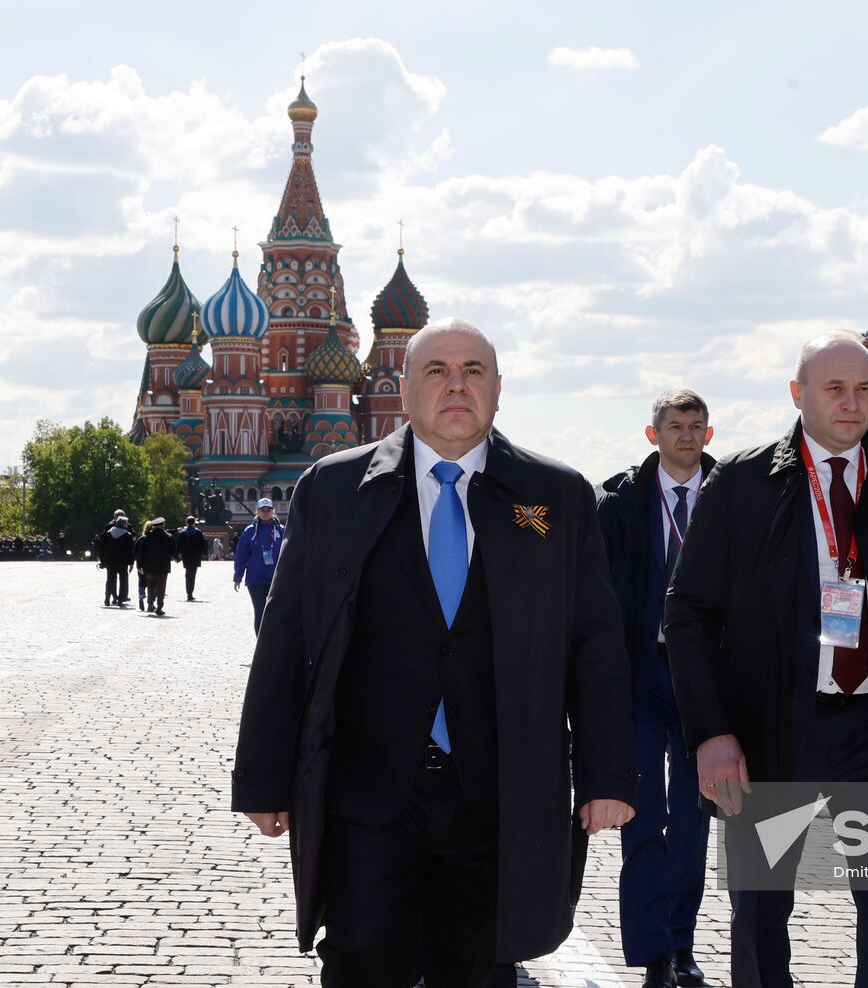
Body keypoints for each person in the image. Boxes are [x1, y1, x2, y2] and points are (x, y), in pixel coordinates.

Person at [231, 319, 636, 987]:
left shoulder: (554, 497)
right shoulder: (334, 491)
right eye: (437, 371)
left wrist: (607, 775)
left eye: (474, 371)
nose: (457, 386)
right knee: (361, 963)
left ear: (498, 389)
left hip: (499, 791)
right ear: (402, 389)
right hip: (367, 791)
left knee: (479, 969)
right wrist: (262, 777)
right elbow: (288, 639)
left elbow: (594, 642)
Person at [664, 331, 868, 987]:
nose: (851, 403)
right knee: (760, 912)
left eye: (864, 389)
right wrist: (712, 734)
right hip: (770, 731)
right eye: (834, 389)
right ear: (798, 394)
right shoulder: (742, 484)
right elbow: (688, 615)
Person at [597, 389, 716, 988]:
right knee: (644, 817)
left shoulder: (731, 497)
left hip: (706, 687)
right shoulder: (619, 499)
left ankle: (683, 942)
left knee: (694, 822)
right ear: (654, 435)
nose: (687, 436)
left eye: (697, 426)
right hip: (640, 677)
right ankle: (653, 954)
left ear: (709, 435)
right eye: (675, 426)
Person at [233, 498, 284, 634]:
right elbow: (241, 555)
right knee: (260, 611)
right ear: (258, 512)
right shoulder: (250, 531)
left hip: (276, 579)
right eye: (263, 510)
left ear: (273, 511)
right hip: (256, 579)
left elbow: (289, 554)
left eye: (268, 510)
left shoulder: (281, 530)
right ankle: (261, 644)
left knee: (275, 612)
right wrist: (238, 576)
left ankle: (273, 641)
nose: (266, 512)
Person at [135, 518, 176, 615]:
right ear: (162, 525)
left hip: (148, 567)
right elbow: (173, 550)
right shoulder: (168, 536)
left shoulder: (146, 537)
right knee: (161, 588)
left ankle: (150, 604)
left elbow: (140, 552)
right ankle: (159, 607)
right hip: (162, 567)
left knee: (150, 585)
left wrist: (139, 565)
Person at [99, 513, 134, 608]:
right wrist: (131, 563)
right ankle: (120, 600)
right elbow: (130, 551)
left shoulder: (107, 534)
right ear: (123, 524)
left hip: (110, 561)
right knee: (123, 580)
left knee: (110, 580)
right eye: (126, 523)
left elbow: (102, 549)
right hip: (123, 562)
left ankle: (107, 598)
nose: (127, 525)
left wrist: (102, 561)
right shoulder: (128, 535)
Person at [174, 516, 208, 602]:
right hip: (195, 556)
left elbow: (178, 545)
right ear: (193, 523)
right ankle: (190, 593)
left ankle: (188, 592)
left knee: (188, 573)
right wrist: (205, 553)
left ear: (186, 523)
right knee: (193, 574)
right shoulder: (198, 532)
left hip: (186, 556)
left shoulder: (182, 533)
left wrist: (177, 556)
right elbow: (202, 544)